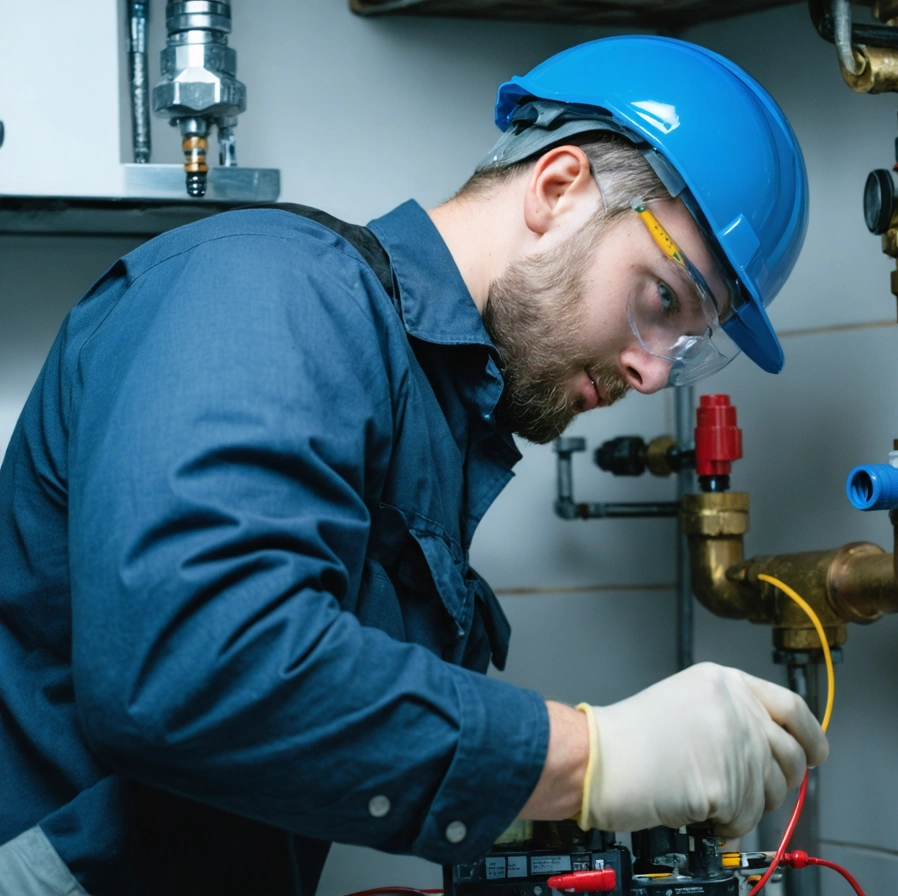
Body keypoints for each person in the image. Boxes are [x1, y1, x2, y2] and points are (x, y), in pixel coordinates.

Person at [0, 35, 827, 896]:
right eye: (661, 298)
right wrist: (592, 759)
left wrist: (574, 804)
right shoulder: (268, 285)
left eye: (688, 347)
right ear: (558, 188)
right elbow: (193, 671)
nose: (652, 373)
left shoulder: (429, 413)